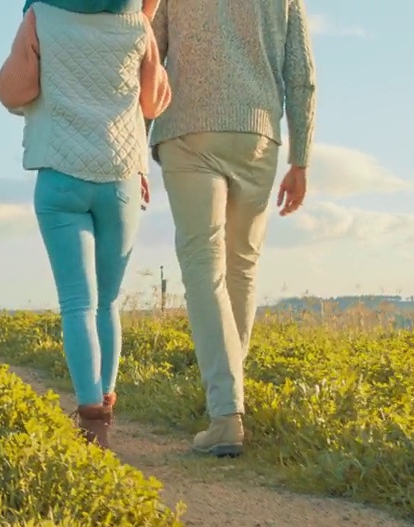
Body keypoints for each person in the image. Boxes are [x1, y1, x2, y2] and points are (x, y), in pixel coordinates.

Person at [0, 0, 171, 449]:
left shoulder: (40, 15)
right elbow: (153, 101)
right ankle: (105, 409)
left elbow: (13, 92)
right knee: (107, 302)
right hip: (120, 178)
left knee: (76, 302)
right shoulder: (137, 23)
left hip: (59, 174)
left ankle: (91, 418)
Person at [149, 0, 316, 458]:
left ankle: (226, 412)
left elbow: (148, 53)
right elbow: (300, 73)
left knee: (205, 267)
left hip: (189, 127)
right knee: (241, 268)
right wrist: (301, 159)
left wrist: (135, 140)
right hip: (257, 135)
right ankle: (228, 405)